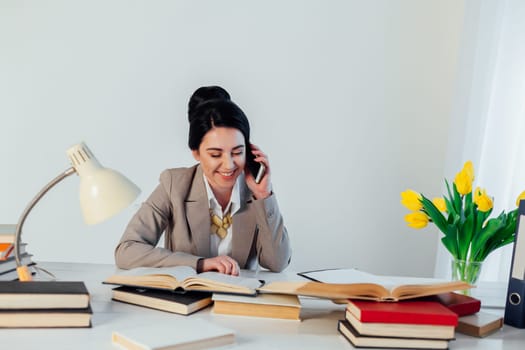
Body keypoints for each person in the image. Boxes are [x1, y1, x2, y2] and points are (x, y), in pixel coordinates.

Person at [115, 86, 291, 275]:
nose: (229, 165)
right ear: (196, 153)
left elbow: (277, 263)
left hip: (239, 301)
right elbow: (126, 251)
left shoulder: (255, 193)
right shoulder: (174, 185)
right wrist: (200, 264)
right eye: (216, 154)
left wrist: (264, 195)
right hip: (186, 299)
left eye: (238, 152)